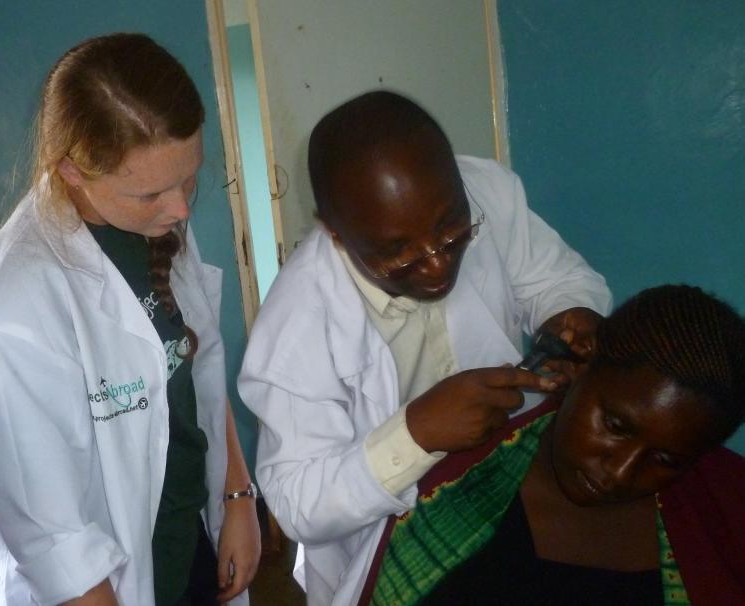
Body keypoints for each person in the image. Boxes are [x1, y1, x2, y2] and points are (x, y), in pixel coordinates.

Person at [237, 90, 613, 604]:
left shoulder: (486, 191)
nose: (438, 267)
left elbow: (554, 277)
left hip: (511, 485)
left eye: (454, 235)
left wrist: (571, 314)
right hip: (392, 545)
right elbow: (298, 499)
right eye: (398, 257)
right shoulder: (297, 324)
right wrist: (416, 433)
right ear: (336, 234)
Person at [0, 33, 260, 606]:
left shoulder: (156, 227)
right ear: (72, 169)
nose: (181, 209)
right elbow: (50, 537)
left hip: (188, 540)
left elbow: (200, 374)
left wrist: (238, 497)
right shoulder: (17, 299)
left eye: (188, 177)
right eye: (150, 194)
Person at [361, 284, 745, 605]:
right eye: (615, 425)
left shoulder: (722, 515)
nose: (620, 472)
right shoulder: (449, 491)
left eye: (666, 460)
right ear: (579, 367)